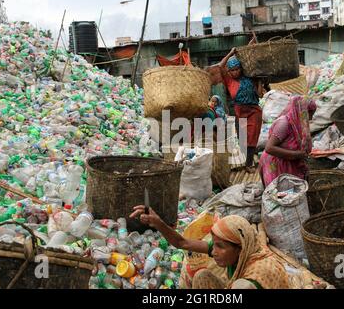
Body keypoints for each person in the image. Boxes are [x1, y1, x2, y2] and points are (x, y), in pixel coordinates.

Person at [130, 207, 291, 290]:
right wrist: (158, 222)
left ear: (239, 249)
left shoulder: (256, 276)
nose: (213, 252)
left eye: (220, 246)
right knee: (202, 276)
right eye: (214, 245)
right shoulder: (243, 249)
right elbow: (182, 243)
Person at [219, 48, 264, 174]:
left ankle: (249, 164)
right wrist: (231, 53)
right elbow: (220, 65)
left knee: (252, 137)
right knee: (242, 139)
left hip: (254, 111)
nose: (235, 72)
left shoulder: (250, 79)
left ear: (241, 69)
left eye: (237, 69)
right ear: (229, 71)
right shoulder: (229, 81)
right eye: (232, 70)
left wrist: (260, 81)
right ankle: (247, 160)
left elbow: (260, 95)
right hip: (240, 112)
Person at [259, 96, 317, 188]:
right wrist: (297, 154)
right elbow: (269, 148)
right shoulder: (284, 124)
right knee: (278, 195)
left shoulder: (299, 124)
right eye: (310, 114)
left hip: (288, 162)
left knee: (292, 195)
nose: (311, 118)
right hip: (275, 164)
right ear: (302, 111)